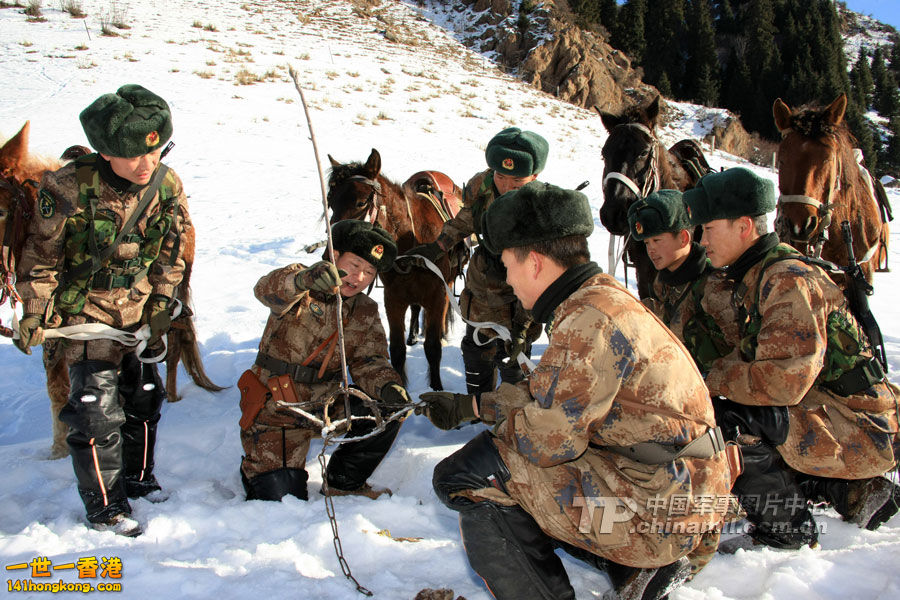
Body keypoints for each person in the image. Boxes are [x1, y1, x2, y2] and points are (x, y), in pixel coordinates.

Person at [420, 182, 736, 600]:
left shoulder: (589, 320)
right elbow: (554, 394)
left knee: (472, 472)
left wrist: (497, 423)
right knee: (519, 462)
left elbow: (548, 440)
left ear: (534, 263)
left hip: (662, 514)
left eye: (508, 266)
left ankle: (627, 565)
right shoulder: (597, 298)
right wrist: (475, 405)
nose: (508, 281)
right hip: (677, 494)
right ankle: (634, 568)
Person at [683, 166, 900, 551]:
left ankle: (788, 530)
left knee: (731, 421)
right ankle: (841, 489)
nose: (702, 240)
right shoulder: (758, 275)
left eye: (709, 229)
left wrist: (707, 379)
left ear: (744, 226)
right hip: (833, 410)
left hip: (860, 424)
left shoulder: (786, 280)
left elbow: (781, 383)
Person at [15, 84, 191, 537]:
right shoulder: (66, 188)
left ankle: (139, 478)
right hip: (85, 315)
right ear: (106, 151)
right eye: (134, 155)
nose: (147, 163)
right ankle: (106, 508)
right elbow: (40, 257)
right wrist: (34, 311)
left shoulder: (166, 184)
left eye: (155, 150)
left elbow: (172, 250)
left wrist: (161, 304)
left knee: (144, 396)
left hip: (140, 313)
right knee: (96, 412)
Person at [239, 220, 412, 502]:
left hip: (326, 405)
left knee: (388, 409)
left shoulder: (365, 310)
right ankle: (258, 466)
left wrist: (389, 387)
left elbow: (370, 361)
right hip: (278, 408)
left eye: (370, 272)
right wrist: (304, 279)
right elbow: (265, 289)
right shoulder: (300, 285)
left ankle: (344, 481)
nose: (359, 277)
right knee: (282, 500)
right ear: (334, 255)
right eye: (354, 265)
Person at [408, 127, 548, 399]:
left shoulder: (543, 208)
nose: (506, 186)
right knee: (475, 353)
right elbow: (468, 218)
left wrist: (523, 326)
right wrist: (440, 245)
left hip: (521, 295)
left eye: (517, 181)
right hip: (482, 286)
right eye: (500, 176)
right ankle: (476, 408)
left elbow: (543, 279)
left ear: (534, 177)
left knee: (514, 365)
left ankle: (512, 413)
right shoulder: (481, 186)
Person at [626, 189, 715, 341]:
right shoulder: (661, 284)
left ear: (683, 238)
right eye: (647, 243)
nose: (651, 249)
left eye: (657, 240)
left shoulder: (713, 287)